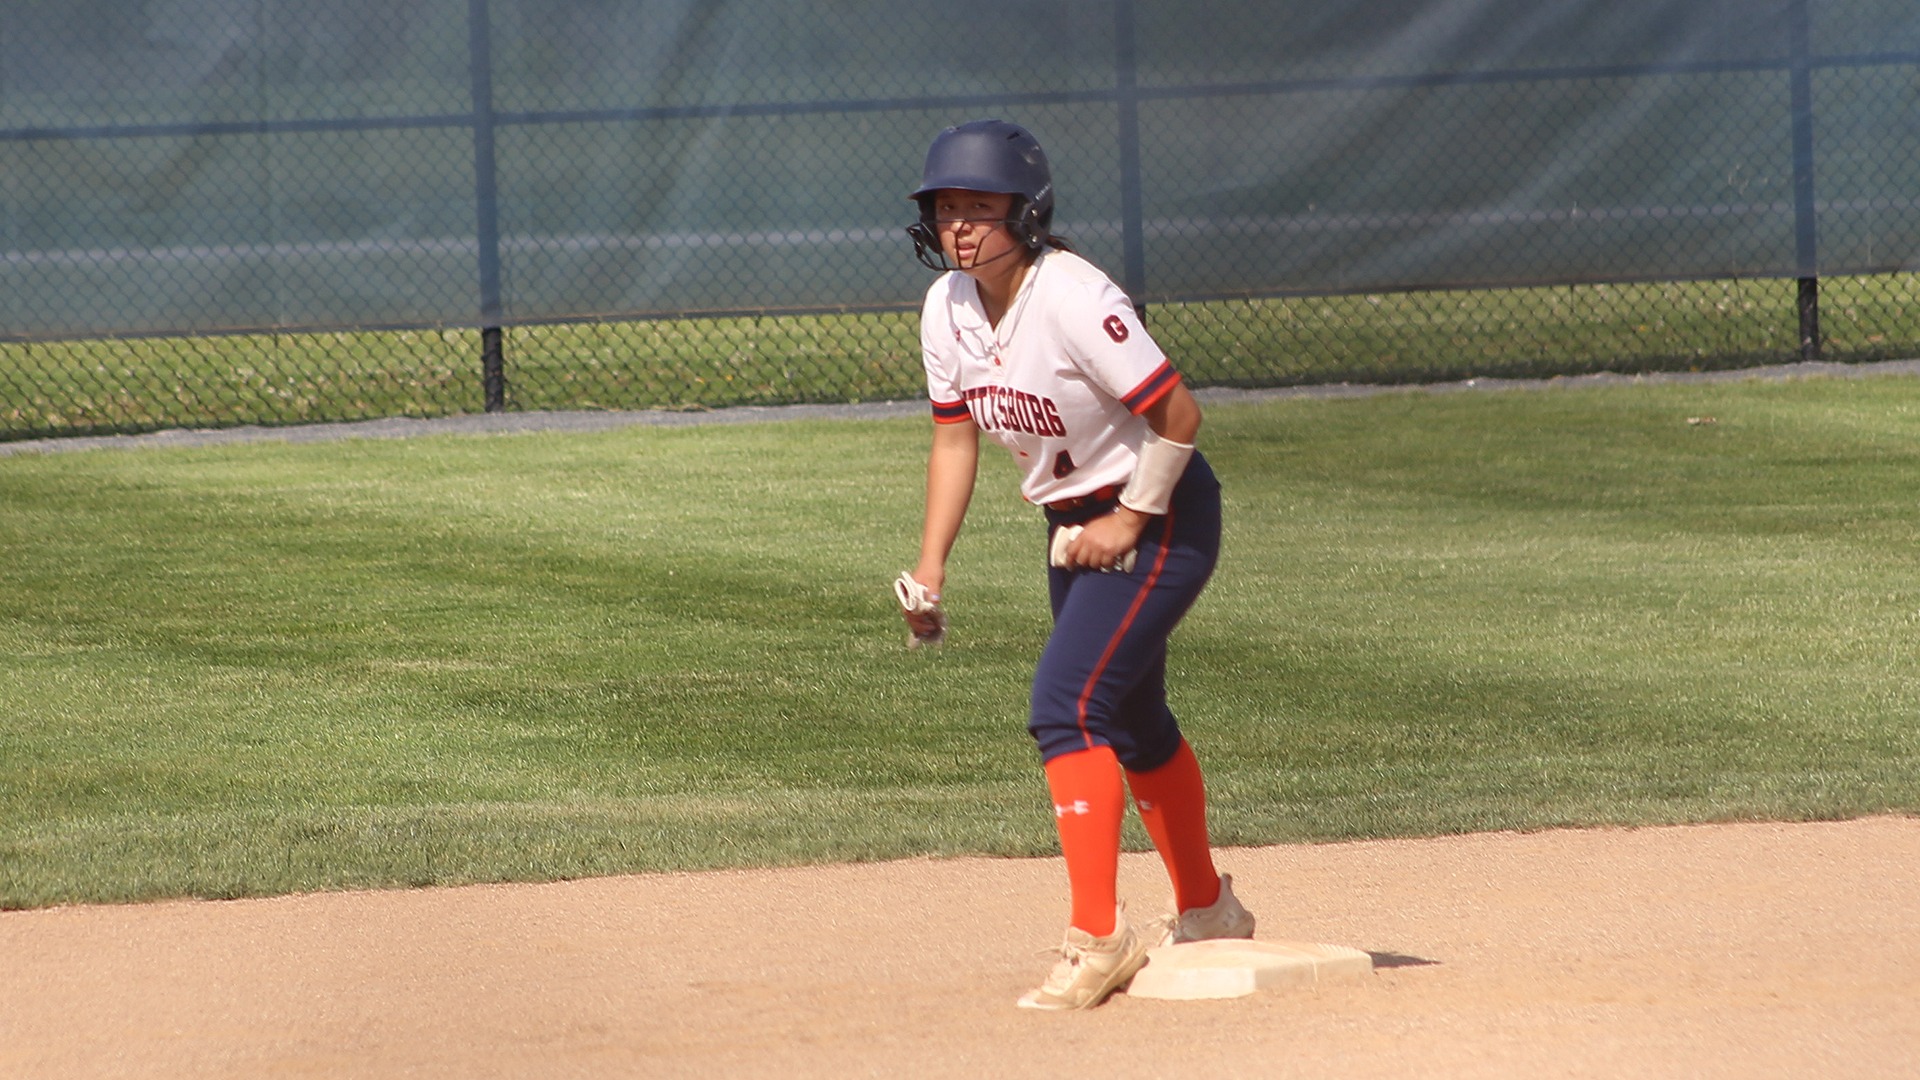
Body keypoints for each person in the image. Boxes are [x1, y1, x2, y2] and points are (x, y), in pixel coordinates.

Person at [895, 119, 1255, 1011]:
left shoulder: (1075, 297)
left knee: (1066, 706)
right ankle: (1207, 905)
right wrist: (930, 566)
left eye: (981, 207)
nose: (961, 227)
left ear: (1028, 211)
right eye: (947, 209)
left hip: (1161, 512)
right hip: (1071, 526)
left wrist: (1131, 518)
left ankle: (1098, 935)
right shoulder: (947, 308)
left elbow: (1178, 415)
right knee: (1131, 720)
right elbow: (954, 440)